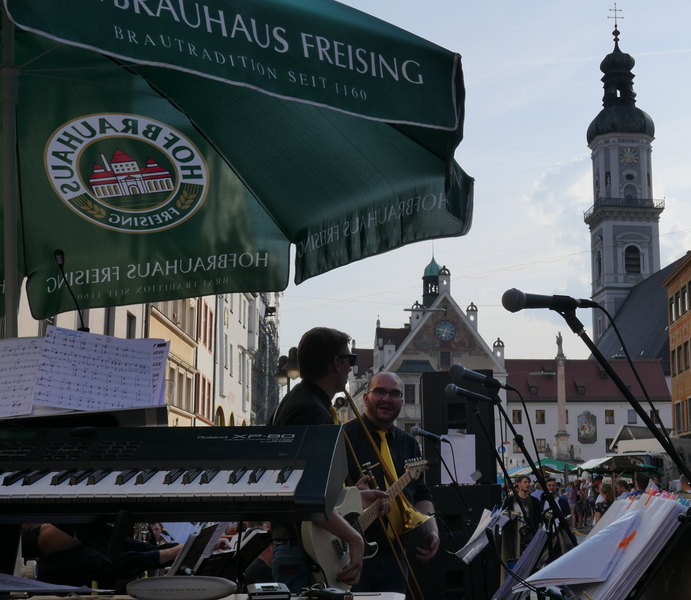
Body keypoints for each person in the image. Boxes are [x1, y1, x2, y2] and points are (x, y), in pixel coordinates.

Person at [267, 327, 389, 591]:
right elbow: (306, 496)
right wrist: (355, 539)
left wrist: (352, 497)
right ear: (336, 363)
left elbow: (303, 484)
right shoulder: (310, 411)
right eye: (350, 359)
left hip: (303, 549)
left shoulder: (299, 401)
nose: (351, 367)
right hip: (303, 553)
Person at [343, 372, 440, 594]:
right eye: (379, 391)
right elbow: (327, 494)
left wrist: (431, 530)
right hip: (352, 555)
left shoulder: (409, 443)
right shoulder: (344, 437)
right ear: (365, 398)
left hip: (397, 555)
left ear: (402, 401)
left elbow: (421, 493)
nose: (387, 398)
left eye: (395, 394)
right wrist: (351, 494)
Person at [21, 524, 182, 591]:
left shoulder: (90, 530)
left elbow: (137, 547)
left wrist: (185, 548)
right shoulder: (60, 547)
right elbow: (108, 566)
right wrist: (170, 553)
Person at [505, 474, 542, 552]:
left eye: (528, 482)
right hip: (515, 533)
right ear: (519, 484)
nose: (527, 484)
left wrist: (538, 533)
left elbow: (538, 518)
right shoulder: (510, 500)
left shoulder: (534, 501)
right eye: (525, 482)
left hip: (530, 533)